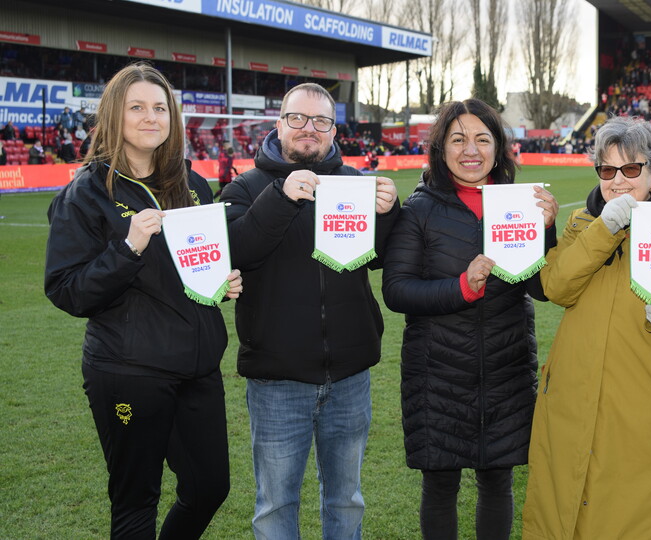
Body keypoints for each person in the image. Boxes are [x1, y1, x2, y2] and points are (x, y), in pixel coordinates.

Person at [44, 63, 243, 539]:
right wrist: (127, 247)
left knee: (209, 487)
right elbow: (67, 290)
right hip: (129, 371)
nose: (150, 117)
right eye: (137, 107)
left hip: (196, 365)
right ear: (115, 115)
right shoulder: (86, 193)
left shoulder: (191, 185)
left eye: (160, 107)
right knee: (136, 505)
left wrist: (220, 280)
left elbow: (191, 267)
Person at [521, 116, 651, 540]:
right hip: (572, 396)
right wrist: (605, 228)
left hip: (644, 404)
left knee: (635, 514)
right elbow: (555, 287)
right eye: (607, 170)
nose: (618, 181)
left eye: (631, 170)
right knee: (565, 510)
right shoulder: (583, 222)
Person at [220, 82, 399, 540]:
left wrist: (390, 214)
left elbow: (381, 258)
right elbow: (236, 251)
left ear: (333, 130)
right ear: (279, 124)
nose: (308, 129)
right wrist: (280, 198)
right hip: (277, 379)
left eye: (320, 121)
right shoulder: (245, 187)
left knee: (346, 500)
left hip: (350, 375)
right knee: (275, 506)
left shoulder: (355, 184)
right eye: (297, 119)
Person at [381, 98, 559, 540]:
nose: (471, 150)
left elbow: (542, 288)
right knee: (440, 483)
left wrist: (548, 230)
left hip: (506, 367)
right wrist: (462, 286)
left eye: (482, 138)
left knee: (497, 482)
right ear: (441, 149)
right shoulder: (419, 209)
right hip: (437, 372)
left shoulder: (522, 203)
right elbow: (396, 290)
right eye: (458, 139)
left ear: (498, 148)